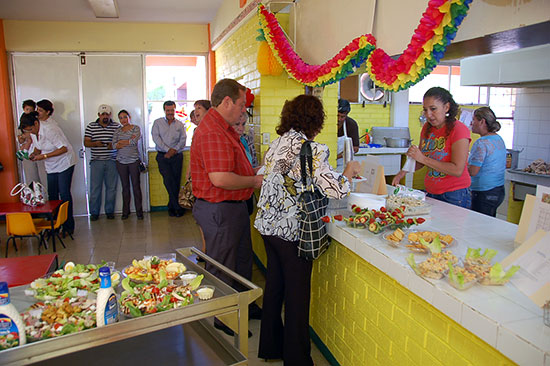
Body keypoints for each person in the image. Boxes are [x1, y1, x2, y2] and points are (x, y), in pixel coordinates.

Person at [254, 94, 360, 365]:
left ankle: (270, 347)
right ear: (316, 121)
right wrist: (348, 170)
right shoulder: (312, 149)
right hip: (291, 232)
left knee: (275, 286)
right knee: (297, 297)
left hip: (267, 226)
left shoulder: (277, 144)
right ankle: (297, 360)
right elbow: (336, 189)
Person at [190, 78, 263, 335]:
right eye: (242, 104)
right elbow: (219, 178)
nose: (244, 109)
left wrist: (254, 172)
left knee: (241, 262)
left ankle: (246, 306)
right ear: (227, 101)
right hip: (218, 208)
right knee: (222, 265)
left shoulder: (225, 127)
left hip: (234, 206)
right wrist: (255, 180)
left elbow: (233, 167)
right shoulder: (212, 131)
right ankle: (224, 317)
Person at [392, 87, 471, 208]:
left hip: (454, 194)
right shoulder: (427, 128)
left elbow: (457, 170)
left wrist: (422, 158)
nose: (428, 114)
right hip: (432, 191)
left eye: (433, 109)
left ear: (446, 107)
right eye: (425, 110)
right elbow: (420, 160)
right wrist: (402, 172)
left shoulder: (459, 130)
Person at [20, 112, 77, 235]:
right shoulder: (34, 132)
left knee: (64, 193)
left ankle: (68, 226)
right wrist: (34, 154)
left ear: (36, 123)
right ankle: (54, 226)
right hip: (51, 166)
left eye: (30, 129)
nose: (30, 132)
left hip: (64, 163)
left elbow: (63, 148)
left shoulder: (50, 129)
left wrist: (44, 156)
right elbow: (38, 146)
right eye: (27, 131)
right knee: (52, 195)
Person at [84, 104, 120, 221]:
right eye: (102, 114)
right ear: (98, 115)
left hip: (112, 161)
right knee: (95, 188)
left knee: (111, 188)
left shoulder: (116, 126)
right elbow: (86, 142)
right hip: (96, 161)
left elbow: (121, 143)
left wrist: (112, 145)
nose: (105, 116)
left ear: (110, 115)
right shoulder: (91, 126)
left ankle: (109, 211)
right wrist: (95, 144)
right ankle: (94, 213)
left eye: (107, 114)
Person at [468, 107, 506, 217]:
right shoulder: (499, 139)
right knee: (488, 224)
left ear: (482, 121)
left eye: (474, 119)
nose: (471, 123)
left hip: (483, 192)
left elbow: (473, 171)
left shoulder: (481, 142)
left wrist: (459, 164)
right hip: (498, 190)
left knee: (478, 227)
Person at [152, 100, 187, 217]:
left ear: (175, 109)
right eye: (168, 110)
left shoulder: (180, 124)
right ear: (164, 110)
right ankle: (177, 207)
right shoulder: (157, 123)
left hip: (177, 156)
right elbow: (156, 138)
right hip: (163, 156)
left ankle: (171, 207)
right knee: (168, 181)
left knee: (176, 181)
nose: (170, 112)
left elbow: (183, 139)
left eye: (172, 110)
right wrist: (168, 150)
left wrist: (174, 150)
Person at [112, 110, 144, 220]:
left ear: (129, 117)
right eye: (120, 118)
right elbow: (114, 145)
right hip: (121, 162)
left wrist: (122, 142)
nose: (123, 120)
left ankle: (139, 212)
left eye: (125, 117)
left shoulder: (136, 128)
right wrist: (127, 141)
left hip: (134, 161)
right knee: (125, 187)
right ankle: (125, 212)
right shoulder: (117, 131)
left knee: (136, 187)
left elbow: (134, 141)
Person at [336, 98, 360, 163]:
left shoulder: (351, 124)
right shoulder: (328, 123)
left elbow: (355, 148)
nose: (339, 119)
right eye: (337, 115)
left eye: (342, 117)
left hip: (343, 162)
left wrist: (338, 156)